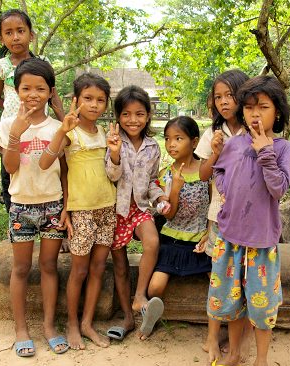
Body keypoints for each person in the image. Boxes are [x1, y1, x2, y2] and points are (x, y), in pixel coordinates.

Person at [201, 75, 290, 366]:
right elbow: (220, 172)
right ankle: (233, 355)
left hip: (262, 243)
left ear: (277, 113)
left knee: (261, 306)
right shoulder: (233, 144)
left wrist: (265, 152)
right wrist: (227, 193)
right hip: (229, 237)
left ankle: (262, 364)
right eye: (250, 107)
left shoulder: (284, 148)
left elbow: (279, 188)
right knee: (231, 300)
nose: (255, 114)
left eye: (264, 107)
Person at [0, 58, 69, 357]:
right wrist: (16, 133)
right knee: (22, 268)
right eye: (26, 88)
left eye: (40, 88)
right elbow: (10, 167)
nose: (33, 94)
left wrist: (68, 205)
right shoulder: (7, 125)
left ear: (51, 92)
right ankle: (21, 329)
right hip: (21, 207)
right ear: (16, 90)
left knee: (49, 266)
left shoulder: (57, 128)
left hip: (52, 204)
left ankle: (50, 326)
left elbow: (64, 170)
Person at [39, 73, 115, 349]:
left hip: (107, 207)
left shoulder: (105, 133)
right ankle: (72, 324)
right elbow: (51, 165)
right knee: (79, 270)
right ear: (76, 100)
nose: (94, 105)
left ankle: (87, 323)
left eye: (100, 100)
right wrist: (67, 209)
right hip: (81, 210)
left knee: (97, 268)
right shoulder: (70, 132)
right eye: (88, 98)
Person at [104, 85, 171, 341]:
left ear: (148, 115)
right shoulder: (111, 141)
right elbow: (111, 175)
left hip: (141, 207)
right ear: (118, 116)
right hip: (116, 208)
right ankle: (128, 318)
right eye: (127, 114)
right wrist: (115, 153)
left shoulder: (153, 146)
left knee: (152, 242)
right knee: (120, 266)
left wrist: (160, 197)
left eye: (140, 114)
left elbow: (153, 180)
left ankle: (140, 296)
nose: (133, 120)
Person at [194, 69, 250, 363]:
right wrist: (215, 152)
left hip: (249, 220)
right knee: (219, 278)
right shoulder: (212, 133)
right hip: (219, 217)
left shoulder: (254, 130)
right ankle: (212, 338)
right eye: (218, 97)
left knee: (242, 279)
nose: (224, 102)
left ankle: (238, 339)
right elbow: (203, 175)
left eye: (230, 95)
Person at [0, 9, 64, 213]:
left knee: (44, 168)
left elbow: (53, 96)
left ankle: (48, 214)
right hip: (12, 131)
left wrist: (63, 120)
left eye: (20, 31)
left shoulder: (42, 63)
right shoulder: (1, 67)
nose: (15, 37)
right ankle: (14, 218)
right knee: (10, 172)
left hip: (41, 129)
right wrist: (15, 116)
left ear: (31, 35)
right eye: (9, 32)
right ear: (1, 39)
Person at [143, 116, 211, 324]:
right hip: (172, 241)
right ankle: (150, 318)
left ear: (195, 142)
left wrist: (209, 234)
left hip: (199, 240)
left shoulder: (206, 171)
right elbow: (169, 214)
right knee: (155, 288)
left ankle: (223, 320)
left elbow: (213, 207)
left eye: (178, 138)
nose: (171, 144)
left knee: (219, 283)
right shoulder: (165, 175)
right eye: (167, 139)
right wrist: (176, 188)